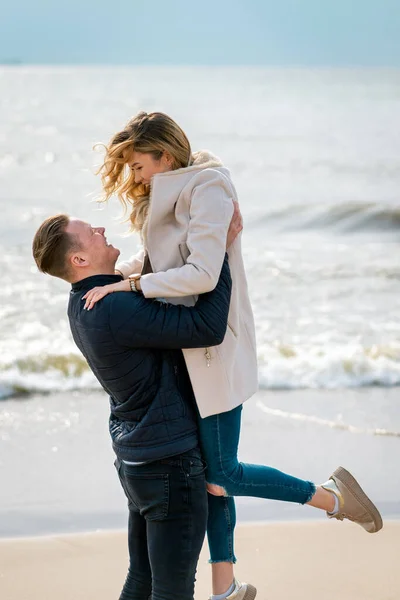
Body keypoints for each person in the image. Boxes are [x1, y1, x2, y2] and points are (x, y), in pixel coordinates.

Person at [84, 112, 382, 600]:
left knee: (221, 474)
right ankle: (225, 588)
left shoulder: (208, 189)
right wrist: (121, 276)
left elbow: (200, 274)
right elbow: (164, 262)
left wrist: (132, 283)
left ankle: (332, 497)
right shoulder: (170, 191)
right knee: (207, 476)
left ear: (166, 154)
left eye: (139, 166)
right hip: (184, 350)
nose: (134, 178)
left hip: (214, 352)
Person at [32, 213, 238, 600]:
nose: (101, 230)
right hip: (168, 466)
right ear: (78, 260)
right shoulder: (114, 309)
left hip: (139, 463)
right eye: (90, 233)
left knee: (142, 581)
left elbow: (146, 270)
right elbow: (206, 327)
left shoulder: (85, 301)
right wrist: (219, 253)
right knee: (171, 592)